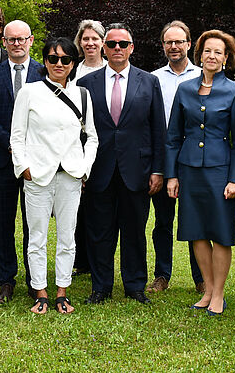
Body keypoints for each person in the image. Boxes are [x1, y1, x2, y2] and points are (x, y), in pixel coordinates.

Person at [77, 23, 167, 304]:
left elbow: (157, 129)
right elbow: (78, 130)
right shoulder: (86, 84)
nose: (117, 48)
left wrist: (157, 169)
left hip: (136, 170)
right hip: (98, 170)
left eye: (123, 44)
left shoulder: (148, 81)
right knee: (99, 231)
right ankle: (101, 286)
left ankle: (135, 285)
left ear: (132, 48)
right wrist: (79, 168)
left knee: (134, 231)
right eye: (112, 44)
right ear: (104, 47)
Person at [11, 37, 99, 314]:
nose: (58, 64)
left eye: (65, 59)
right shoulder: (29, 92)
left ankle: (62, 291)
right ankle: (40, 292)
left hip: (71, 175)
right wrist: (23, 167)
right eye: (52, 58)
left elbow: (92, 137)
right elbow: (17, 136)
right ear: (45, 61)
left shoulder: (82, 95)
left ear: (73, 63)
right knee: (36, 237)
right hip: (37, 176)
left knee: (67, 236)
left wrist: (85, 167)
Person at [165, 30, 235, 316]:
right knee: (196, 232)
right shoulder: (184, 89)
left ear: (226, 58)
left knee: (221, 233)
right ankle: (208, 289)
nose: (212, 56)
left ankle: (219, 294)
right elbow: (173, 136)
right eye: (207, 51)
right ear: (199, 55)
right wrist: (172, 175)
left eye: (218, 52)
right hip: (189, 171)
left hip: (220, 172)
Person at [0, 20, 44, 302]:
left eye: (22, 39)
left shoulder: (45, 73)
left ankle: (34, 278)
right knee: (2, 221)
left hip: (37, 161)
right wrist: (12, 144)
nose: (17, 44)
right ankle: (6, 278)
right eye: (11, 40)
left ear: (30, 41)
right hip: (2, 160)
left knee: (34, 222)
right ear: (4, 43)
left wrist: (29, 147)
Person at [149, 20, 204, 294]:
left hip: (195, 158)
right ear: (163, 46)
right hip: (164, 157)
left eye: (179, 41)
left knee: (195, 218)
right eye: (168, 42)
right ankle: (162, 274)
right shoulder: (153, 78)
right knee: (162, 221)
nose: (174, 46)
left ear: (188, 44)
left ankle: (201, 276)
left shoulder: (204, 76)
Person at [70, 18, 106, 277]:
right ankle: (79, 259)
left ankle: (97, 260)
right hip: (75, 145)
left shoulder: (112, 68)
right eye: (85, 39)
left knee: (98, 207)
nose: (90, 43)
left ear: (103, 42)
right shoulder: (73, 71)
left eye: (95, 38)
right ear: (79, 42)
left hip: (104, 146)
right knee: (76, 206)